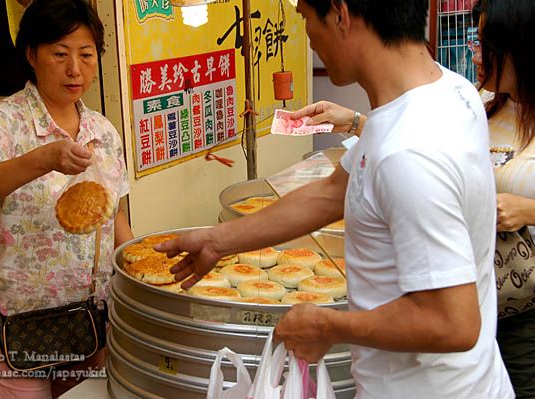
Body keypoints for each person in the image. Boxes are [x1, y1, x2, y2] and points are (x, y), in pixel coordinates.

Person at [156, 0, 514, 397]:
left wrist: (328, 326)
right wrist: (217, 240)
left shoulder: (408, 151)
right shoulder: (449, 90)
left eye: (307, 19)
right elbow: (331, 193)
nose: (309, 36)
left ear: (341, 15)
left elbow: (453, 323)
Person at [0, 0, 133, 397]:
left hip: (90, 319)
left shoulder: (103, 131)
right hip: (13, 322)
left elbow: (116, 222)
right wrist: (42, 158)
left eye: (86, 55)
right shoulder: (3, 120)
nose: (75, 69)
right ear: (31, 55)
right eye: (60, 54)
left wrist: (144, 271)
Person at [470, 1, 535, 397]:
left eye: (485, 44)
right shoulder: (483, 104)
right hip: (473, 299)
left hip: (525, 310)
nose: (476, 55)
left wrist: (527, 210)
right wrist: (356, 121)